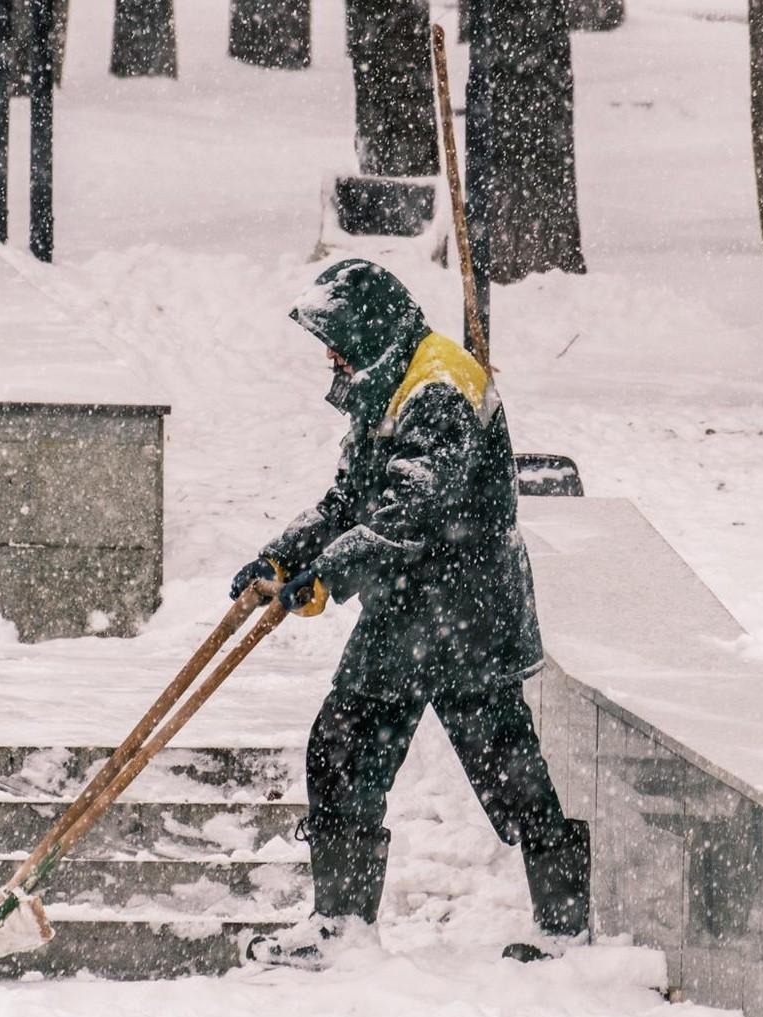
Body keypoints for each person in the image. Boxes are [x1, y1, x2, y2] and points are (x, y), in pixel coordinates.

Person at [235, 258, 590, 969]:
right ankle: (347, 927)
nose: (330, 356)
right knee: (361, 750)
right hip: (414, 605)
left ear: (368, 333)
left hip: (462, 604)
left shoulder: (438, 386)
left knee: (491, 762)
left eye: (335, 340)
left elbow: (409, 512)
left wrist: (326, 579)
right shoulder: (387, 382)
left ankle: (563, 931)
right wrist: (283, 557)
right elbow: (350, 501)